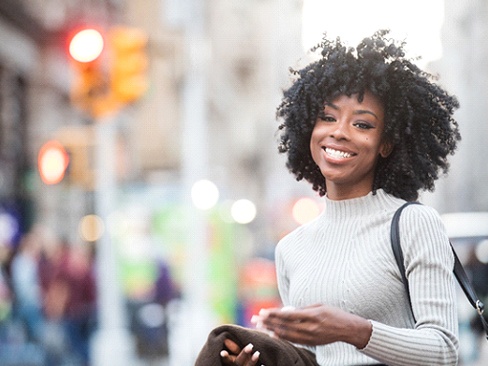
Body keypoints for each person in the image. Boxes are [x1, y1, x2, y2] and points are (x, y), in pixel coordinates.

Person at [195, 29, 461, 366]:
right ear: (308, 126)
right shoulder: (291, 248)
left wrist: (355, 331)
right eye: (328, 117)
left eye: (362, 124)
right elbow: (310, 359)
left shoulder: (413, 223)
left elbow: (445, 351)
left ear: (387, 144)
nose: (339, 131)